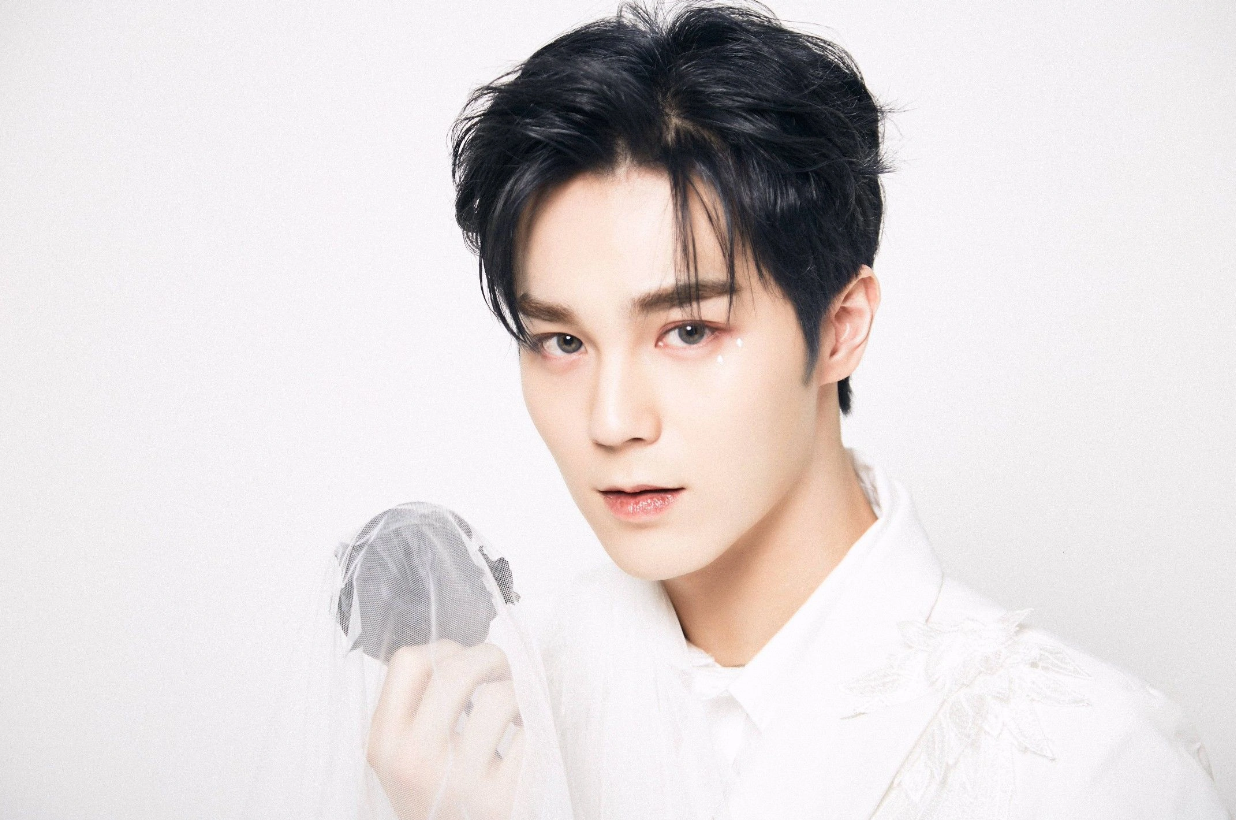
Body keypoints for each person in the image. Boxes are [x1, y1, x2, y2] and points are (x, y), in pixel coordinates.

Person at [370, 2, 1230, 818]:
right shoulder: (481, 735)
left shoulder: (1091, 768)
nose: (612, 420)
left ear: (840, 328)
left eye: (689, 331)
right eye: (562, 342)